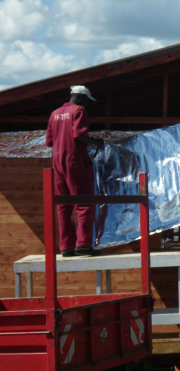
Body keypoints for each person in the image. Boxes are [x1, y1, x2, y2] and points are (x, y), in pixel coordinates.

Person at [46, 86, 104, 257]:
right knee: (85, 204)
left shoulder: (55, 113)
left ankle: (66, 247)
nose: (87, 104)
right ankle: (83, 245)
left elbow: (50, 141)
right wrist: (97, 143)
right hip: (75, 160)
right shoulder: (79, 110)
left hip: (57, 161)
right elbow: (79, 135)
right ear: (79, 97)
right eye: (86, 100)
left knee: (63, 206)